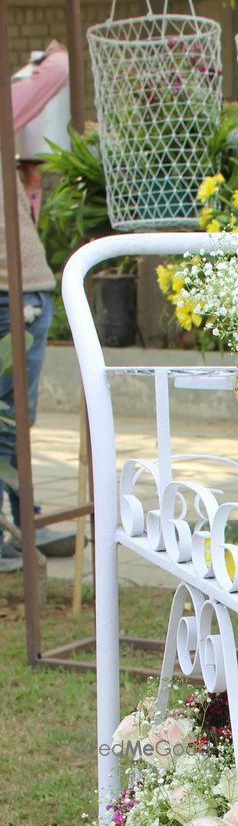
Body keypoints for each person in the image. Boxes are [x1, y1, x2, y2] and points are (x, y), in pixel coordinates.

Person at [0, 159, 56, 571]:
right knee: (7, 420)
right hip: (10, 294)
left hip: (27, 292)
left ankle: (26, 522)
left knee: (16, 419)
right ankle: (19, 528)